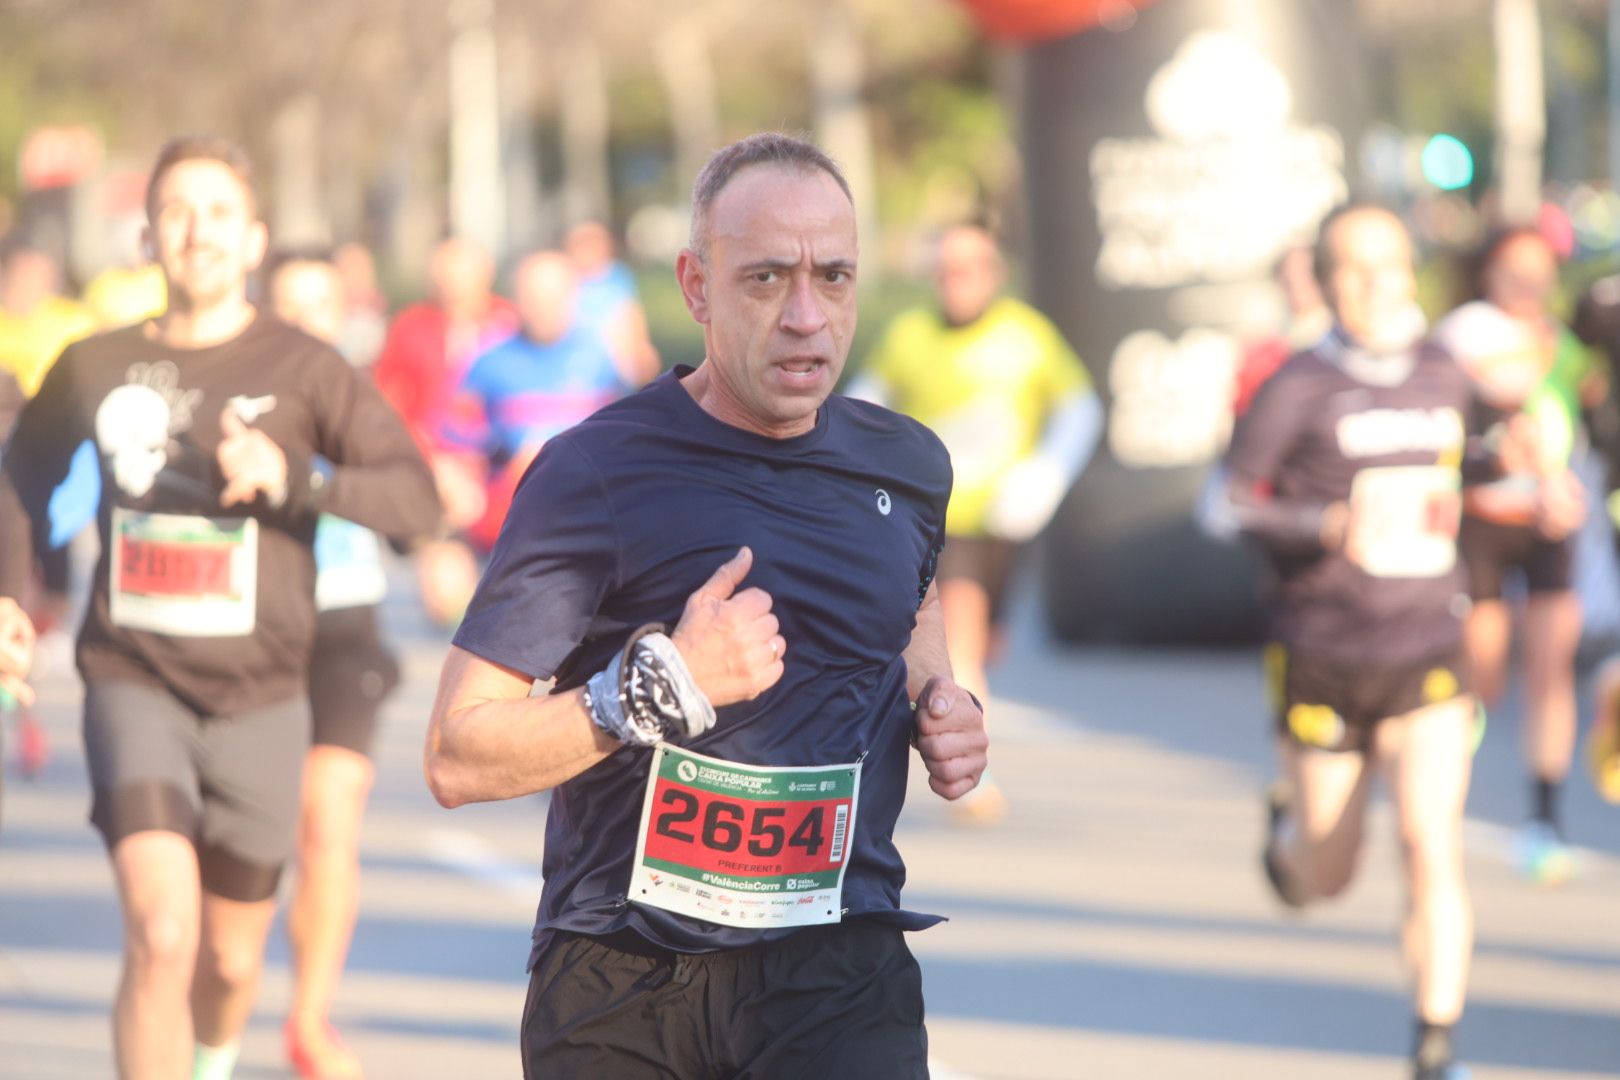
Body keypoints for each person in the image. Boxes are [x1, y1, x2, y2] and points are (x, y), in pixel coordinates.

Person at [424, 132, 988, 1079]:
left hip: (836, 970)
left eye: (835, 277)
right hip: (623, 979)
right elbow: (455, 754)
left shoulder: (907, 465)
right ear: (696, 286)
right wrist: (660, 689)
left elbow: (913, 585)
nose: (807, 315)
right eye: (767, 278)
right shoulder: (596, 474)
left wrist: (943, 699)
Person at [0, 135, 439, 1080]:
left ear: (254, 240)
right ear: (147, 236)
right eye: (176, 211)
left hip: (263, 695)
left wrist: (299, 477)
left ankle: (213, 1056)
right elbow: (16, 480)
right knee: (162, 932)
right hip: (134, 679)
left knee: (230, 958)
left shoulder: (306, 367)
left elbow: (418, 499)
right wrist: (8, 594)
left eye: (219, 213)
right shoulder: (93, 363)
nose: (196, 231)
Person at [1224, 205, 1505, 1080]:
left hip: (1428, 648)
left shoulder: (1444, 372)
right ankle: (1287, 844)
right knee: (1328, 874)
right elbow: (1227, 501)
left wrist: (1531, 482)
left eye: (1389, 264)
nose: (1375, 283)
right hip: (1324, 656)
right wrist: (1323, 522)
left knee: (1431, 841)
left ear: (1411, 271)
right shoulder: (1296, 384)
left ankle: (1435, 1046)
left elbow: (1489, 462)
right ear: (1325, 280)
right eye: (1353, 267)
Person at [849, 224, 1099, 824]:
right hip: (941, 519)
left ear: (993, 271)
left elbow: (1079, 407)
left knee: (986, 642)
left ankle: (966, 723)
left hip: (1007, 520)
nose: (954, 282)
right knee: (957, 635)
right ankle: (973, 772)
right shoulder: (909, 336)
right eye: (944, 270)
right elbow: (862, 407)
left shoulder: (1026, 336)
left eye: (968, 269)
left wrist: (1045, 475)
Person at [266, 249, 404, 1080]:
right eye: (289, 306)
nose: (307, 323)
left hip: (347, 627)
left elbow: (412, 500)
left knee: (328, 822)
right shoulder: (228, 402)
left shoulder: (364, 402)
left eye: (321, 305)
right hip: (249, 638)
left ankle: (308, 1020)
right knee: (254, 839)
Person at [1431, 227, 1592, 882]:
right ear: (1489, 274)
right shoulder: (1465, 334)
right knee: (1485, 675)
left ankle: (1544, 821)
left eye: (1540, 270)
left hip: (1551, 522)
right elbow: (1453, 429)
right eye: (1515, 271)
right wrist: (1494, 456)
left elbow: (1586, 427)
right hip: (1483, 520)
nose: (1530, 284)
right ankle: (1439, 789)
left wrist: (1573, 486)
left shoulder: (1566, 343)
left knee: (1551, 670)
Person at [373, 237, 518, 626]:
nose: (452, 286)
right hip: (436, 472)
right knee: (448, 606)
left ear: (485, 275)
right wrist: (428, 463)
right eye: (443, 277)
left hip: (501, 468)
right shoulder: (411, 326)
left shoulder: (511, 322)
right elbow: (387, 405)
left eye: (461, 276)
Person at [453, 250, 628, 553]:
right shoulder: (488, 363)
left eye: (554, 298)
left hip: (593, 518)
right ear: (517, 299)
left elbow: (626, 439)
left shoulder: (601, 359)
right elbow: (458, 445)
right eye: (534, 298)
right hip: (512, 523)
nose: (544, 309)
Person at [564, 220, 661, 387]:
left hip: (611, 371)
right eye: (581, 244)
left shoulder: (617, 279)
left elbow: (631, 320)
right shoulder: (563, 279)